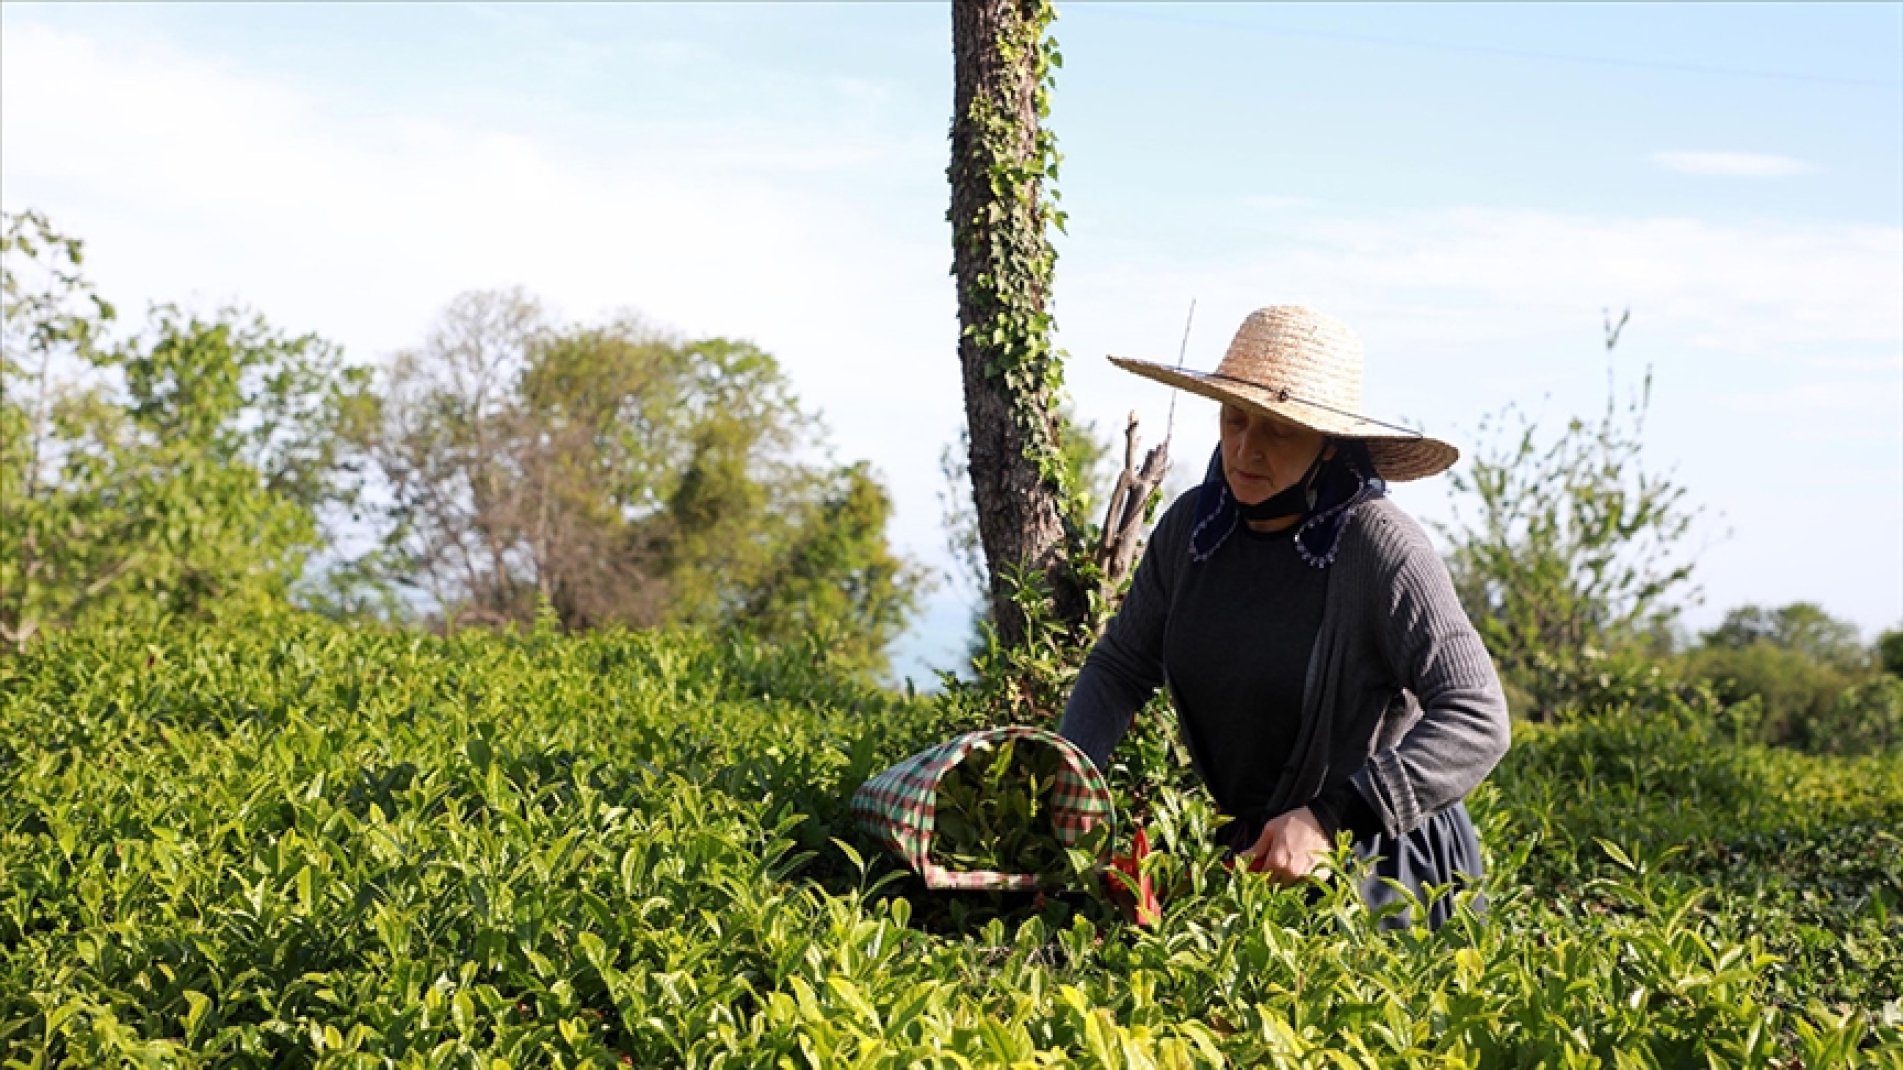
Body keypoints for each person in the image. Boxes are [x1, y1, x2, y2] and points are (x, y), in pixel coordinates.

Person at [1059, 305, 1510, 929]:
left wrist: (1331, 815)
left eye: (1279, 430)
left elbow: (1479, 717)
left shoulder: (1379, 549)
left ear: (1328, 444)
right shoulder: (1191, 531)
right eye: (1235, 419)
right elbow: (1122, 664)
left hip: (1383, 867)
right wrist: (1070, 769)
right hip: (1254, 857)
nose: (1247, 448)